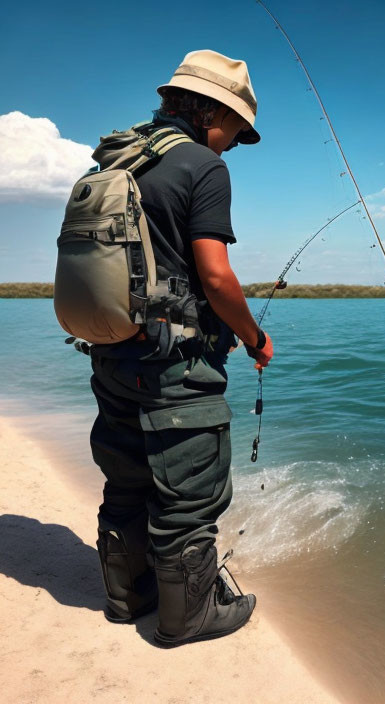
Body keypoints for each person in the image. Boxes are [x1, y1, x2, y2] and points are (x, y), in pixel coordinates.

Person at [87, 50, 273, 647]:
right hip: (175, 367)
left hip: (110, 355)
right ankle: (187, 618)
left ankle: (126, 598)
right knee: (189, 493)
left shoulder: (121, 157)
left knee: (127, 479)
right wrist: (254, 336)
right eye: (236, 134)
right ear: (213, 111)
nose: (230, 148)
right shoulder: (202, 165)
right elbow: (216, 278)